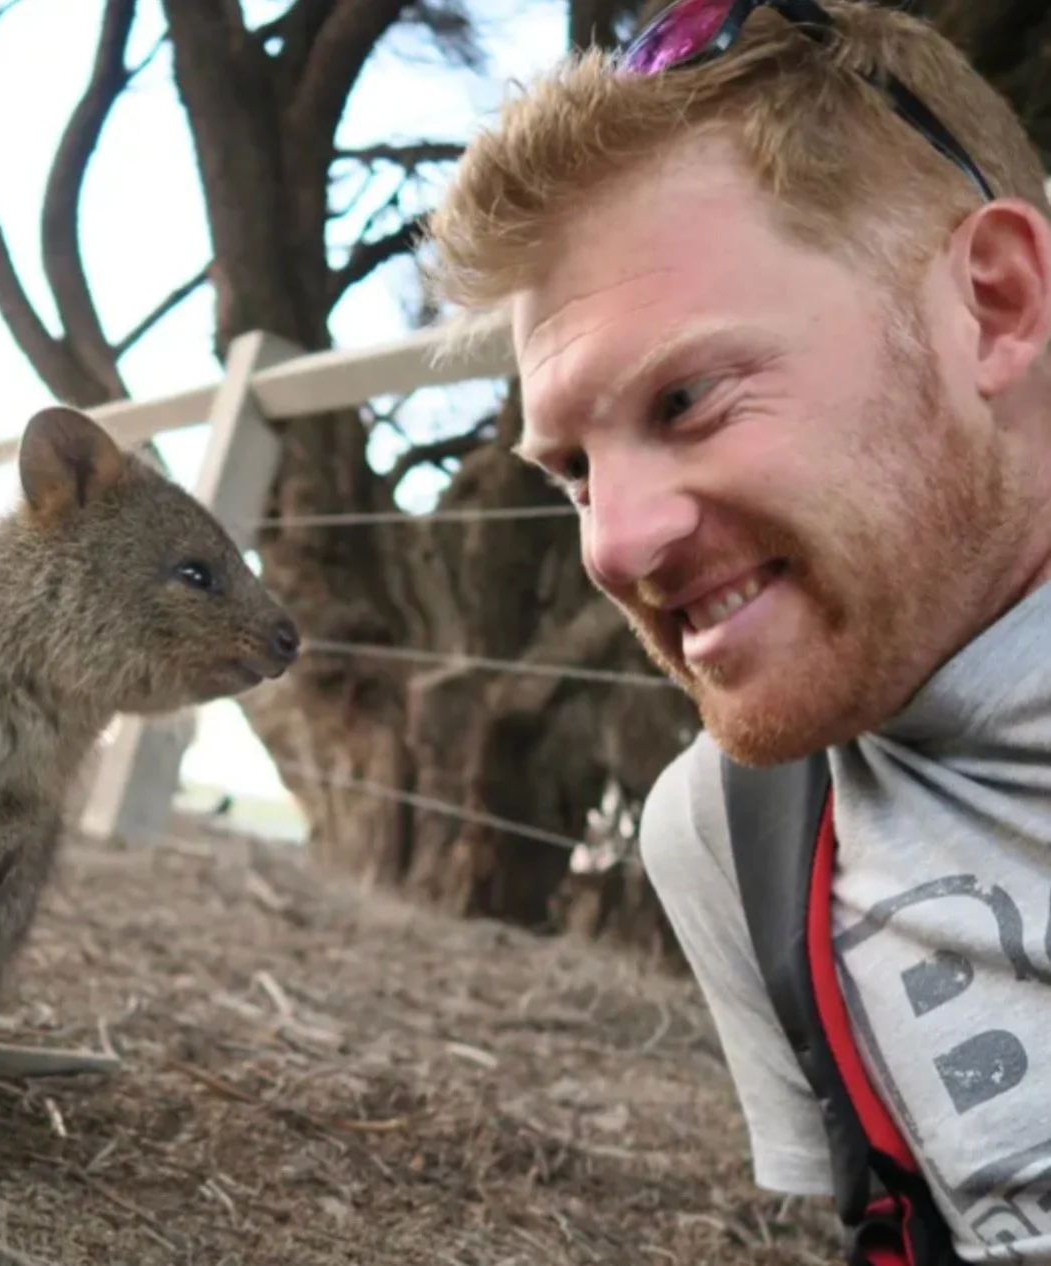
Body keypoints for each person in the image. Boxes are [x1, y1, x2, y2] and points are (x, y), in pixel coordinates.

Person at [423, 1, 1051, 1261]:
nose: (610, 543)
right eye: (575, 471)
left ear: (994, 304)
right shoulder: (730, 831)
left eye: (688, 397)